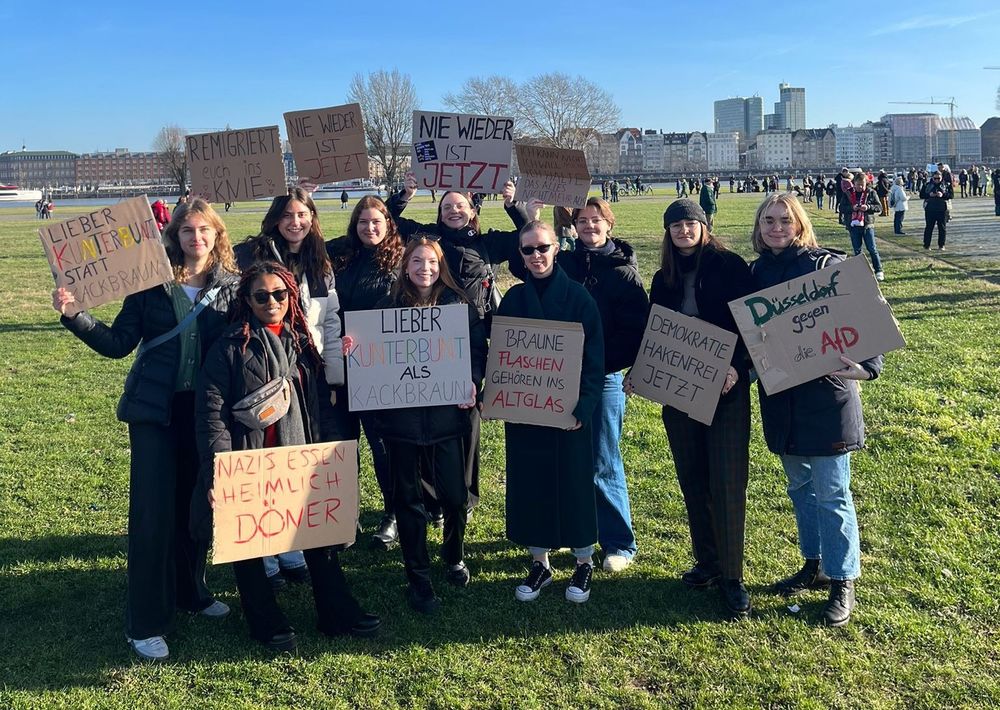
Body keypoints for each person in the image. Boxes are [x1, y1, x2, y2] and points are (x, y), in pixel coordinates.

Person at [53, 198, 239, 661]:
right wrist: (75, 315)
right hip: (154, 413)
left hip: (206, 415)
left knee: (196, 507)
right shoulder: (149, 284)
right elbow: (118, 344)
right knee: (154, 517)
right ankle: (145, 622)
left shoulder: (233, 288)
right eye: (187, 231)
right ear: (173, 237)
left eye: (204, 231)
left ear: (217, 236)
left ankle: (191, 592)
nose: (196, 239)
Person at [194, 261, 380, 650]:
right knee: (249, 545)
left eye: (279, 294)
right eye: (261, 296)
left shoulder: (302, 342)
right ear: (247, 300)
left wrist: (331, 451)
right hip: (248, 458)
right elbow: (212, 413)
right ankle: (265, 620)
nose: (272, 302)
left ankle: (337, 612)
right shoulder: (230, 347)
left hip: (299, 456)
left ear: (290, 297)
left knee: (318, 537)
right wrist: (219, 470)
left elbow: (322, 406)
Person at [749, 193, 884, 627]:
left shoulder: (825, 265)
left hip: (827, 398)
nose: (775, 227)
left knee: (832, 493)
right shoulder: (756, 272)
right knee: (800, 489)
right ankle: (815, 562)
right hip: (782, 399)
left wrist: (867, 367)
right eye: (768, 220)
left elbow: (868, 311)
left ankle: (843, 578)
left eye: (783, 220)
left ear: (799, 223)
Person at [387, 174, 540, 518]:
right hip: (426, 339)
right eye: (447, 206)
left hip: (470, 342)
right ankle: (432, 499)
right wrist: (406, 193)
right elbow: (389, 222)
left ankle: (466, 496)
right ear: (440, 213)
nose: (454, 210)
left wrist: (513, 206)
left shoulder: (486, 244)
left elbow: (528, 237)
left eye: (460, 205)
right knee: (424, 419)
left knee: (467, 422)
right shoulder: (428, 237)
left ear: (472, 210)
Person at [347, 237, 485, 614]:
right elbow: (369, 353)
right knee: (408, 502)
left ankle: (453, 555)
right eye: (417, 261)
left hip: (446, 422)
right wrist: (353, 349)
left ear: (441, 266)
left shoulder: (458, 307)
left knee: (456, 498)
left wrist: (472, 378)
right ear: (405, 266)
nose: (425, 268)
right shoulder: (386, 308)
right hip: (401, 426)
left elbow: (477, 352)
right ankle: (418, 577)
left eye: (432, 262)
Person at [510, 197, 647, 571]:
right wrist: (527, 216)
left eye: (596, 220)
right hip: (553, 375)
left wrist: (602, 362)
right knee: (561, 458)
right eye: (582, 220)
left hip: (602, 375)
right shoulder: (566, 261)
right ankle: (561, 531)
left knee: (602, 459)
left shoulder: (623, 270)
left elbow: (636, 330)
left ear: (609, 224)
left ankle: (619, 541)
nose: (589, 226)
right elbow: (526, 258)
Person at [642, 199, 754, 618]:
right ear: (668, 232)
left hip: (727, 389)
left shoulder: (730, 266)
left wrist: (736, 367)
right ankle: (706, 561)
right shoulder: (662, 277)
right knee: (692, 477)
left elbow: (751, 326)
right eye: (676, 225)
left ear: (704, 227)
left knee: (726, 480)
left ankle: (732, 575)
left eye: (691, 224)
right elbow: (655, 332)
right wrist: (643, 372)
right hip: (680, 390)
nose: (684, 231)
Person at [496, 221, 605, 603]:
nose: (536, 256)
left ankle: (583, 561)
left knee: (575, 484)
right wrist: (498, 396)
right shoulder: (512, 301)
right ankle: (540, 562)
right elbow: (502, 359)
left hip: (568, 413)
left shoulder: (578, 298)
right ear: (520, 256)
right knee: (531, 485)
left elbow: (594, 360)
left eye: (542, 248)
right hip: (525, 412)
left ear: (556, 248)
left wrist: (585, 406)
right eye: (528, 250)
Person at [327, 196, 404, 548]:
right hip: (341, 364)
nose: (369, 228)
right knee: (343, 443)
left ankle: (393, 513)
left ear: (388, 223)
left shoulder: (399, 261)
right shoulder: (341, 258)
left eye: (376, 222)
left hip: (380, 367)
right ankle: (346, 513)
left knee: (383, 445)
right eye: (362, 222)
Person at [840, 172, 885, 280]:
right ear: (854, 183)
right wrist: (852, 208)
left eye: (862, 184)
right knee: (857, 250)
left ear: (866, 183)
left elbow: (879, 207)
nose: (860, 187)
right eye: (858, 184)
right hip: (853, 225)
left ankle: (878, 270)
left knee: (872, 248)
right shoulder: (848, 193)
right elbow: (841, 208)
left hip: (867, 225)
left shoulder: (871, 192)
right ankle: (861, 271)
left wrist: (868, 207)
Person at [920, 171, 953, 250]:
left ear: (941, 178)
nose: (937, 180)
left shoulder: (946, 185)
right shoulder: (927, 185)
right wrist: (929, 195)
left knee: (942, 228)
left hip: (942, 209)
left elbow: (951, 195)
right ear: (932, 178)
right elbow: (921, 195)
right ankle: (926, 245)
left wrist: (943, 195)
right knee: (929, 227)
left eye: (938, 178)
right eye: (935, 178)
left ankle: (941, 245)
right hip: (930, 209)